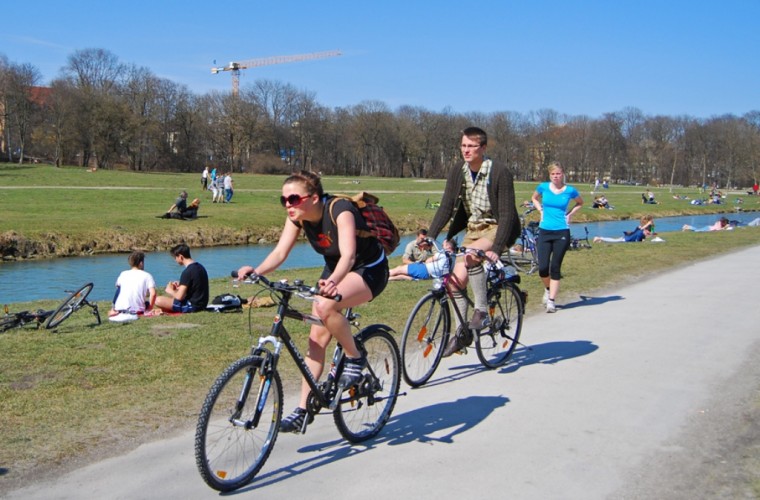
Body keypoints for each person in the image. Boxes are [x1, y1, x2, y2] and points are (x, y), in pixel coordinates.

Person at [236, 170, 389, 434]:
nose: (288, 205)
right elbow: (281, 252)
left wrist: (334, 283)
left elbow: (349, 256)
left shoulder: (340, 209)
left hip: (369, 269)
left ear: (314, 197)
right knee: (315, 341)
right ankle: (303, 411)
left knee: (325, 306)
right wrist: (257, 272)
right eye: (283, 200)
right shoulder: (297, 218)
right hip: (335, 269)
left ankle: (355, 357)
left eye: (294, 199)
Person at [427, 126, 520, 356]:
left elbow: (507, 214)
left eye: (471, 146)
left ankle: (481, 311)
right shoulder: (459, 170)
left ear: (483, 148)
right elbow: (447, 205)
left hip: (499, 228)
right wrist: (431, 235)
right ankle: (462, 333)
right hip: (474, 229)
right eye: (463, 146)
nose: (466, 150)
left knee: (470, 256)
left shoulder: (499, 172)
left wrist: (497, 248)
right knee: (453, 281)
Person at [531, 161, 583, 313]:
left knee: (555, 267)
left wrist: (570, 214)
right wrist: (540, 210)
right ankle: (548, 289)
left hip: (561, 231)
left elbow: (580, 202)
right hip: (545, 231)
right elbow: (534, 198)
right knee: (542, 268)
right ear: (550, 175)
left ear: (563, 174)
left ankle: (551, 301)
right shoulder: (543, 187)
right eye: (553, 174)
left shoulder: (570, 190)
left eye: (558, 174)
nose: (556, 176)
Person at [154, 244, 209, 313]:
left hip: (192, 306)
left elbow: (179, 297)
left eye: (175, 258)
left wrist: (169, 290)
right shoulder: (200, 267)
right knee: (169, 301)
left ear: (181, 257)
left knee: (158, 300)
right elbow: (195, 285)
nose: (175, 260)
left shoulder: (187, 272)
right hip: (202, 304)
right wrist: (180, 285)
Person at [108, 251, 156, 318]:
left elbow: (118, 291)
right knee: (147, 303)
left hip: (119, 309)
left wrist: (113, 308)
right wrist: (149, 309)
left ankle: (113, 309)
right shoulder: (147, 275)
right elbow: (153, 294)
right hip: (138, 310)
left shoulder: (123, 274)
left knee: (120, 289)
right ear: (141, 263)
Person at [390, 239, 455, 281]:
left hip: (424, 269)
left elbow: (427, 261)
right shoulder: (454, 258)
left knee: (399, 269)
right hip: (428, 276)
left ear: (448, 247)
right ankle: (388, 279)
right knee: (404, 276)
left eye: (443, 245)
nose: (442, 247)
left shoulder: (443, 254)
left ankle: (383, 275)